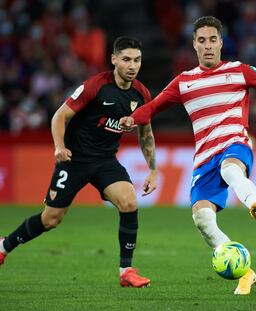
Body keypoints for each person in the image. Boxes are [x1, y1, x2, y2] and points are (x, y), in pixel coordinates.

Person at [120, 16, 256, 295]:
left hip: (235, 143)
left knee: (230, 169)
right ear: (194, 45)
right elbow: (152, 108)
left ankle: (255, 204)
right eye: (201, 41)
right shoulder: (183, 83)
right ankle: (245, 271)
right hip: (204, 157)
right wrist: (132, 119)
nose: (208, 46)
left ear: (221, 42)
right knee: (202, 220)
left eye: (212, 40)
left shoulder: (239, 71)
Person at [0, 36, 158, 288]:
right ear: (114, 59)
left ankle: (126, 271)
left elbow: (145, 133)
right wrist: (59, 147)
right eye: (126, 59)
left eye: (137, 60)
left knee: (128, 201)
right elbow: (60, 116)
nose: (132, 65)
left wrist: (152, 169)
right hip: (74, 159)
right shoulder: (96, 86)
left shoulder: (141, 94)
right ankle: (4, 246)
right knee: (51, 219)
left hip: (105, 160)